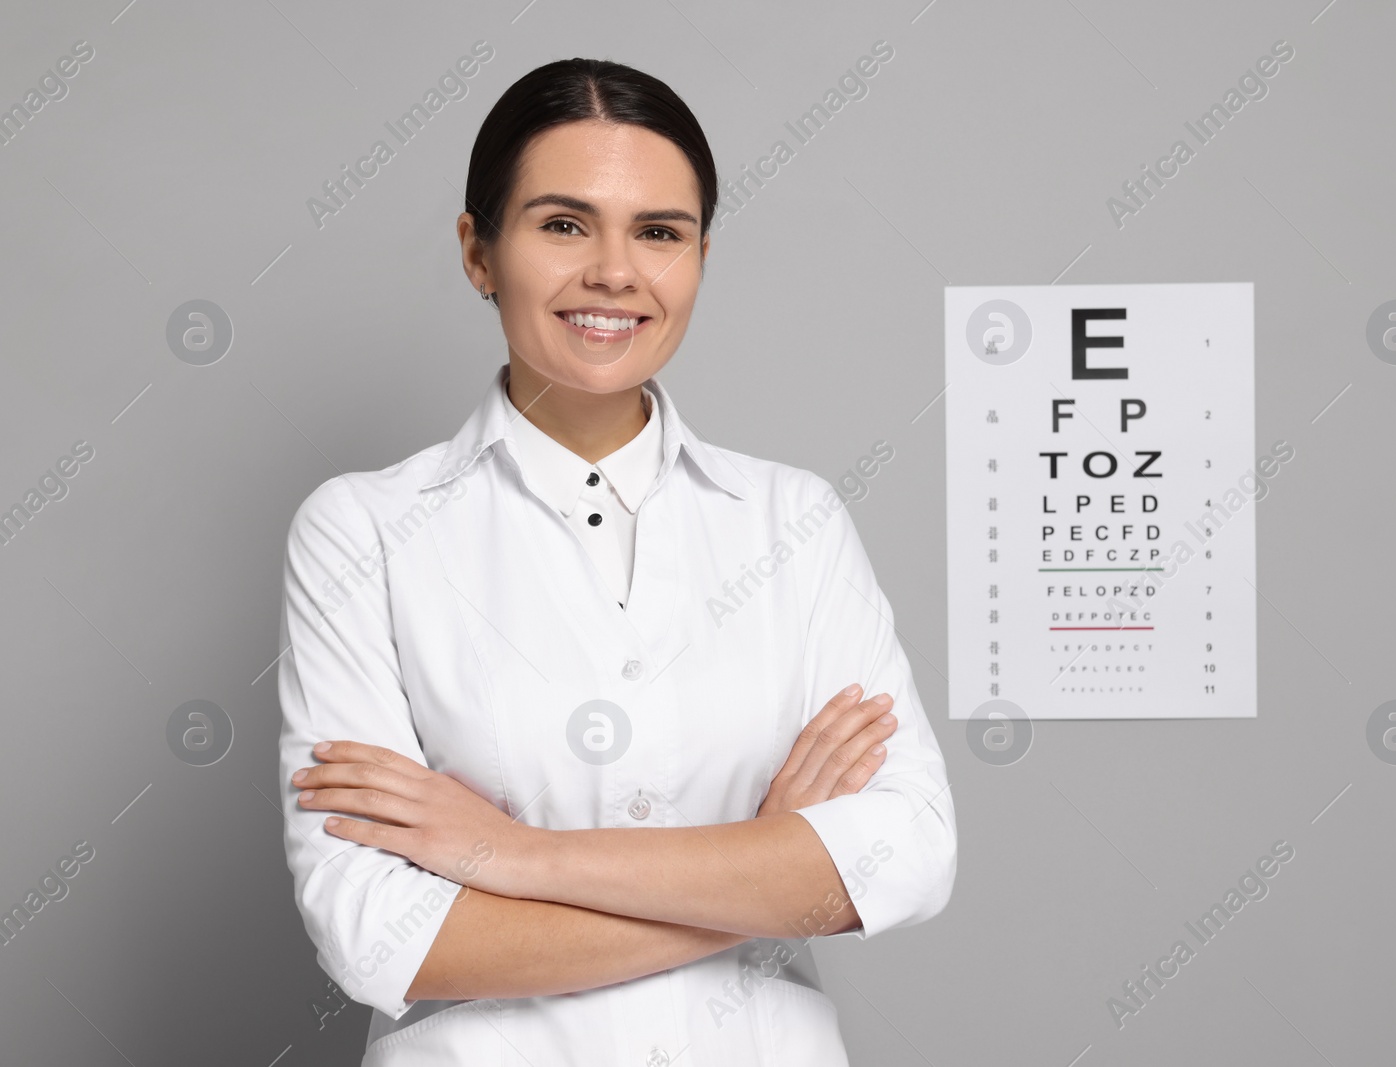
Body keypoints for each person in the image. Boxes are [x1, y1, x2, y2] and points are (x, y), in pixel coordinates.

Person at [275, 56, 957, 1065]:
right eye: (562, 224)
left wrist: (515, 856)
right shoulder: (362, 530)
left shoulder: (794, 520)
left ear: (699, 257)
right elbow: (376, 933)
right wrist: (767, 869)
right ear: (478, 251)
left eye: (659, 232)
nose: (614, 271)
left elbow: (906, 858)